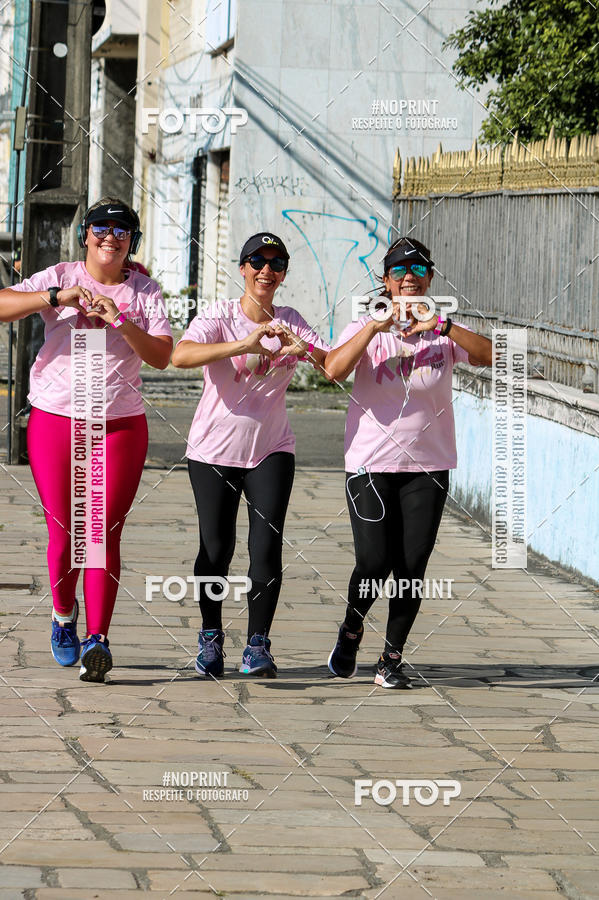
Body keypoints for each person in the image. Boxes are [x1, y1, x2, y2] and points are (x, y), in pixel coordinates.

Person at [0, 198, 173, 682]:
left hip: (117, 424)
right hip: (57, 419)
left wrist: (119, 318)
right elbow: (2, 304)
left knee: (100, 534)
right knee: (64, 533)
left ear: (131, 242)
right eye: (101, 227)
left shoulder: (145, 291)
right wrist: (57, 297)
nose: (110, 237)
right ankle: (62, 614)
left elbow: (161, 356)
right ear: (86, 234)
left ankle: (98, 639)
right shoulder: (60, 274)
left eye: (122, 230)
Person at [324, 237, 492, 688]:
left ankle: (390, 660)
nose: (409, 280)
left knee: (411, 568)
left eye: (418, 272)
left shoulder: (441, 331)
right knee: (374, 561)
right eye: (399, 272)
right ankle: (352, 627)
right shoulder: (365, 326)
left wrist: (444, 325)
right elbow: (332, 370)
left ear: (431, 279)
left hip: (428, 466)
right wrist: (374, 329)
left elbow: (492, 355)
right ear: (386, 281)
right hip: (369, 465)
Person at [172, 232, 330, 679]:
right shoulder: (219, 315)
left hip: (271, 449)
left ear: (283, 274)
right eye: (257, 262)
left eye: (276, 264)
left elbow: (333, 365)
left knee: (266, 548)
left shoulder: (291, 319)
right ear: (242, 268)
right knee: (216, 549)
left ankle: (258, 645)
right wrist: (246, 345)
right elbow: (181, 356)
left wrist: (308, 350)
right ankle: (210, 638)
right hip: (212, 451)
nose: (266, 270)